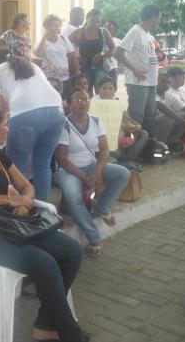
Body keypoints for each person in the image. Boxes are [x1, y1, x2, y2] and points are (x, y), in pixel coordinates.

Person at [0, 106, 87, 342]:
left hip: (11, 224)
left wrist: (24, 201)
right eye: (5, 124)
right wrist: (9, 199)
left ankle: (45, 325)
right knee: (45, 262)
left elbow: (26, 186)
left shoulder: (0, 155)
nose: (8, 129)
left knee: (72, 251)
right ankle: (70, 333)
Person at [55, 88, 130, 258]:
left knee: (123, 173)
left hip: (92, 167)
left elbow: (104, 151)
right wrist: (86, 178)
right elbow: (62, 160)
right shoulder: (64, 125)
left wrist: (97, 172)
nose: (83, 103)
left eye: (86, 99)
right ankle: (94, 237)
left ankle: (102, 207)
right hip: (70, 170)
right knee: (73, 196)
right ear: (68, 104)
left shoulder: (96, 121)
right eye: (78, 100)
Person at [0, 51, 64, 200]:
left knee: (17, 167)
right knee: (43, 165)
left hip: (26, 115)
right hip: (57, 111)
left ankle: (22, 213)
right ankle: (43, 211)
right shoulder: (31, 65)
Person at [115, 4, 162, 138]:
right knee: (136, 117)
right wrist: (134, 70)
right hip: (138, 83)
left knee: (150, 116)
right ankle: (133, 149)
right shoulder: (135, 31)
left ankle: (146, 148)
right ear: (153, 17)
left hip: (150, 83)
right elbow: (119, 53)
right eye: (159, 17)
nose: (160, 20)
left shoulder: (148, 34)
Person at [95, 77, 148, 169]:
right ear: (99, 89)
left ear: (114, 90)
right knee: (120, 132)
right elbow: (98, 123)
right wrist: (123, 126)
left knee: (143, 133)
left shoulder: (117, 101)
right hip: (103, 133)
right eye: (104, 88)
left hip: (121, 129)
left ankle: (129, 158)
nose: (107, 91)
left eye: (111, 89)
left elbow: (126, 116)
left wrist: (137, 125)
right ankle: (114, 156)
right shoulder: (94, 102)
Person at [68, 9, 116, 97]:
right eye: (93, 21)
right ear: (87, 19)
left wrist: (102, 54)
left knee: (102, 93)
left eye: (98, 22)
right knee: (86, 93)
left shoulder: (103, 32)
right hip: (84, 68)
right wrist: (76, 58)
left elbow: (113, 49)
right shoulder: (78, 32)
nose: (96, 24)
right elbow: (64, 46)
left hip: (100, 67)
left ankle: (101, 110)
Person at [33, 14, 78, 95]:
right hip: (49, 79)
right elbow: (38, 53)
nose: (57, 28)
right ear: (46, 27)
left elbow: (72, 55)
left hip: (65, 77)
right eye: (54, 26)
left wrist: (77, 71)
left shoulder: (63, 38)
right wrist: (44, 37)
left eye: (59, 26)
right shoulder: (40, 41)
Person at [154, 73, 185, 153]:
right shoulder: (151, 93)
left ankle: (172, 142)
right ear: (156, 81)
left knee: (184, 114)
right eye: (163, 82)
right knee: (168, 118)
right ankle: (158, 145)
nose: (166, 85)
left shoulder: (168, 94)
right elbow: (163, 108)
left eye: (169, 83)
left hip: (164, 125)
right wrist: (183, 121)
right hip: (150, 124)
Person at [102, 21, 121, 89]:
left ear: (114, 31)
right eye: (105, 26)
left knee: (112, 88)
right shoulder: (99, 39)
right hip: (102, 68)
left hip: (113, 68)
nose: (105, 28)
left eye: (109, 27)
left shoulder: (118, 41)